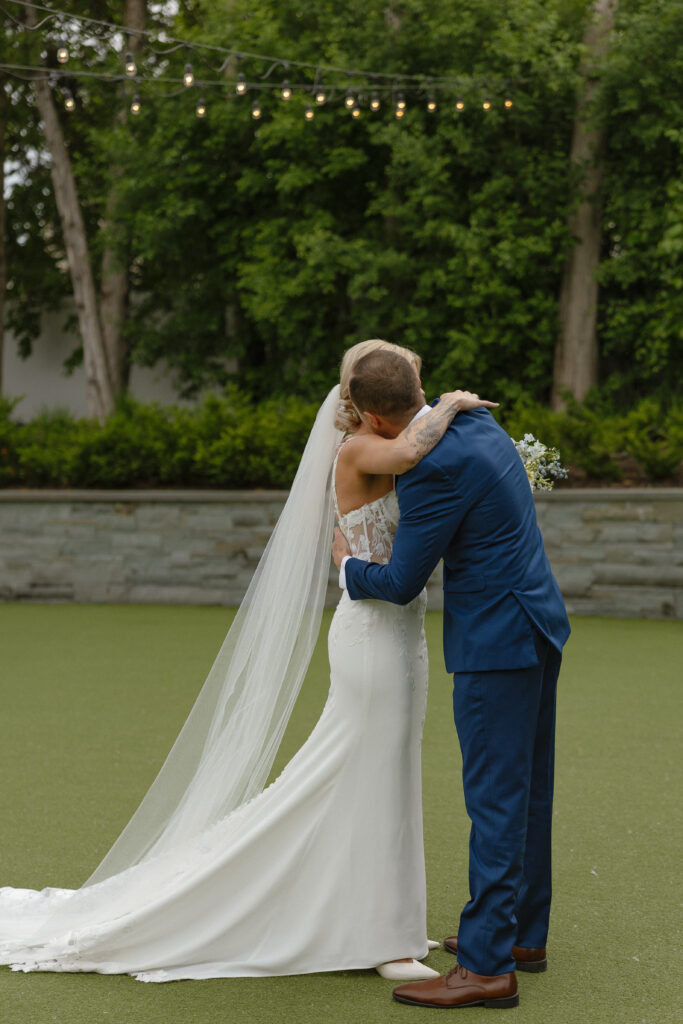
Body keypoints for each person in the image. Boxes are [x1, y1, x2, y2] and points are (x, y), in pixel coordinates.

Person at [0, 339, 496, 983]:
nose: (425, 403)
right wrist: (456, 403)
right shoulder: (361, 450)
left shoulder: (382, 434)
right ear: (372, 414)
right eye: (410, 396)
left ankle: (388, 922)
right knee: (362, 774)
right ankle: (378, 938)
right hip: (372, 637)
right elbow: (409, 448)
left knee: (388, 775)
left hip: (403, 632)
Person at [333, 347, 571, 1010]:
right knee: (528, 792)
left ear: (376, 420)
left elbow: (400, 583)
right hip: (538, 621)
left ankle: (488, 967)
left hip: (497, 643)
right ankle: (521, 935)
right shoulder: (475, 425)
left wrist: (347, 569)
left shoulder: (433, 467)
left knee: (494, 801)